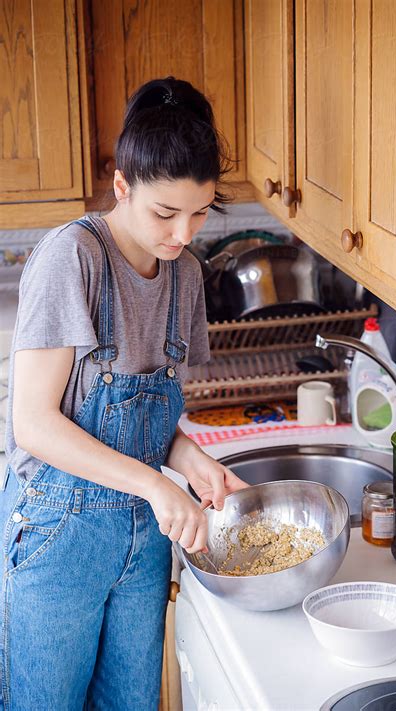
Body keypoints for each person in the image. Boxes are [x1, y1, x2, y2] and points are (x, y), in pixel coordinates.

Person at [0, 76, 248, 710]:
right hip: (59, 534)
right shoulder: (72, 257)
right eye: (165, 213)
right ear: (121, 187)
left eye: (200, 211)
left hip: (144, 537)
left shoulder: (185, 273)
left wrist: (191, 463)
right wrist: (155, 482)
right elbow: (33, 424)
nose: (183, 233)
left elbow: (147, 419)